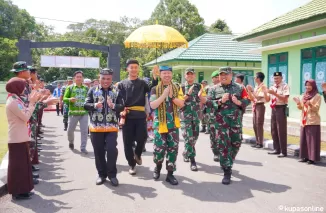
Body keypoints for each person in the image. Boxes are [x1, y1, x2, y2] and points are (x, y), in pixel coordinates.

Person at [205, 67, 250, 185]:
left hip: (235, 122)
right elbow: (208, 103)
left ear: (231, 75)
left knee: (236, 143)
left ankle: (229, 161)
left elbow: (247, 99)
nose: (223, 76)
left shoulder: (240, 88)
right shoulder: (213, 89)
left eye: (226, 74)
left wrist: (239, 102)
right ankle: (227, 171)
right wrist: (220, 101)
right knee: (223, 146)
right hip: (221, 124)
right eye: (221, 74)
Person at [84, 68, 123, 186]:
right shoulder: (92, 90)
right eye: (103, 78)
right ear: (99, 78)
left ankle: (112, 175)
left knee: (112, 150)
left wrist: (114, 105)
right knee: (99, 151)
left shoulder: (116, 91)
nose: (106, 81)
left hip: (111, 126)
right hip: (96, 127)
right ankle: (101, 174)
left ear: (112, 79)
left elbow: (122, 106)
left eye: (108, 79)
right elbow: (86, 105)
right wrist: (94, 105)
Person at [6, 77, 41, 200]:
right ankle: (17, 191)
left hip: (20, 137)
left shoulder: (16, 99)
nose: (24, 89)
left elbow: (25, 110)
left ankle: (23, 189)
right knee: (17, 167)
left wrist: (33, 100)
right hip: (16, 138)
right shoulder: (13, 101)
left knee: (23, 166)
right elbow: (26, 116)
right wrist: (32, 102)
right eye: (22, 86)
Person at [116, 59, 153, 175]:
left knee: (142, 138)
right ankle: (131, 164)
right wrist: (120, 113)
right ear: (127, 69)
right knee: (127, 142)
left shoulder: (143, 83)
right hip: (127, 116)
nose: (134, 69)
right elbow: (118, 100)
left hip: (140, 115)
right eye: (131, 67)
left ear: (138, 69)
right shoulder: (121, 84)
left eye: (136, 67)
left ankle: (137, 154)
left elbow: (153, 89)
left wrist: (156, 77)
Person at [150, 65, 185, 185]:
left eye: (169, 73)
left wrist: (171, 96)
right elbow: (153, 105)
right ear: (160, 75)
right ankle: (157, 168)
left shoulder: (177, 88)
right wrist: (164, 95)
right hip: (160, 124)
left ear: (171, 74)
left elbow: (181, 104)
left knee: (172, 150)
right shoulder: (155, 88)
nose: (167, 75)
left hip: (173, 125)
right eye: (164, 73)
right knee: (159, 150)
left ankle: (170, 174)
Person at [179, 68, 206, 171]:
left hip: (196, 116)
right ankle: (192, 160)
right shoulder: (181, 87)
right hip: (185, 116)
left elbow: (204, 98)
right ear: (185, 76)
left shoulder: (199, 86)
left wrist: (201, 99)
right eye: (188, 74)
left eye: (192, 74)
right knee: (188, 137)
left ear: (194, 76)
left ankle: (186, 152)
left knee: (194, 137)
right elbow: (179, 101)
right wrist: (188, 94)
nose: (190, 76)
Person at [293, 80, 321, 164]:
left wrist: (310, 104)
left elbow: (316, 108)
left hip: (313, 121)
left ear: (313, 86)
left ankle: (311, 158)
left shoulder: (317, 96)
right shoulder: (304, 95)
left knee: (311, 140)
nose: (307, 87)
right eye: (306, 85)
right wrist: (298, 103)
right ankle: (304, 156)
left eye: (309, 85)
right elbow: (301, 107)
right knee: (303, 139)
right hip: (304, 120)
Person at [63, 71, 89, 154]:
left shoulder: (86, 88)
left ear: (82, 78)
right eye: (77, 77)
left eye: (80, 77)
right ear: (74, 78)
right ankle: (71, 142)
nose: (79, 78)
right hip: (73, 113)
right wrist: (69, 99)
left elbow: (89, 99)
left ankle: (83, 148)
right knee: (70, 130)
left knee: (84, 131)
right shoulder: (70, 88)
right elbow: (64, 99)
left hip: (84, 113)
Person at [267, 71, 290, 158]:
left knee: (281, 130)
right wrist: (266, 93)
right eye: (274, 78)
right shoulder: (272, 87)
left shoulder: (285, 86)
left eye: (278, 78)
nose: (276, 80)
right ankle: (276, 149)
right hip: (273, 108)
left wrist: (274, 93)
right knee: (274, 129)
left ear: (281, 78)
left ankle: (283, 151)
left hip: (281, 108)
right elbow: (268, 99)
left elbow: (285, 98)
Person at [246, 72, 268, 148]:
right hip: (255, 105)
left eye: (255, 77)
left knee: (259, 124)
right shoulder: (256, 87)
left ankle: (260, 142)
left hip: (260, 106)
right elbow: (252, 98)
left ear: (258, 78)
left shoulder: (263, 87)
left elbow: (258, 97)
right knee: (255, 124)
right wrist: (249, 91)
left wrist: (251, 91)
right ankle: (257, 141)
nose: (254, 78)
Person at [206, 70, 221, 162]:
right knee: (213, 135)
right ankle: (215, 152)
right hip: (212, 116)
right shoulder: (209, 89)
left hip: (223, 116)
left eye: (218, 77)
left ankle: (222, 152)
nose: (217, 79)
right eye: (215, 77)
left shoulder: (225, 88)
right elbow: (208, 102)